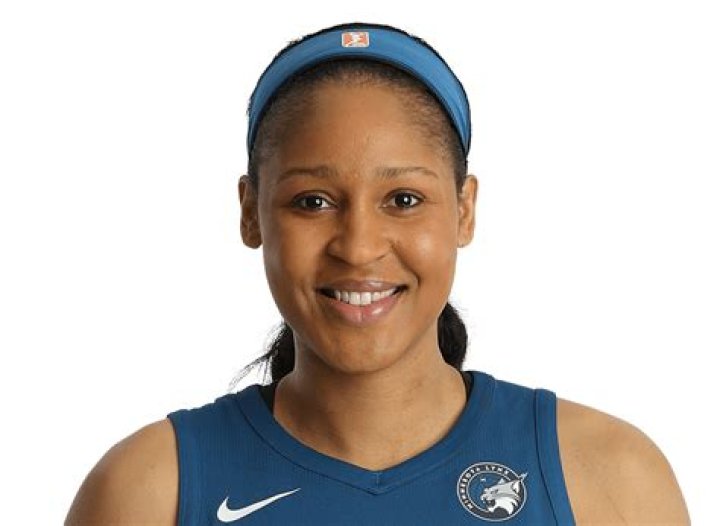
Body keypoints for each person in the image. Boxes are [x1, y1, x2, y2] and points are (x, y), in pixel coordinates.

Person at [65, 21, 690, 525]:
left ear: (464, 210)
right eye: (312, 201)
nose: (359, 248)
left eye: (404, 199)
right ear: (250, 213)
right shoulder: (147, 493)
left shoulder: (608, 479)